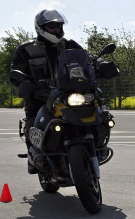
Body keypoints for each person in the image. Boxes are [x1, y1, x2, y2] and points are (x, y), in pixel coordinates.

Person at [10, 9, 83, 174]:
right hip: (39, 97)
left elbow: (86, 59)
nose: (57, 30)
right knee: (32, 124)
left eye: (59, 26)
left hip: (67, 94)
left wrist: (100, 65)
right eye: (52, 27)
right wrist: (27, 83)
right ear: (41, 27)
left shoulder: (69, 45)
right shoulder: (26, 49)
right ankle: (34, 156)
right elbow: (14, 74)